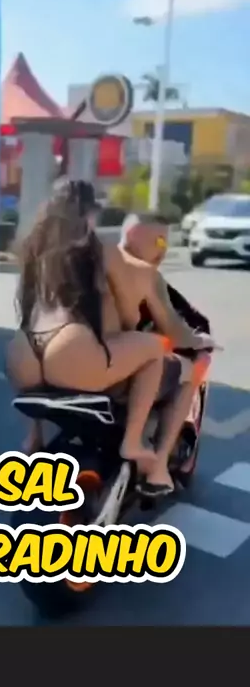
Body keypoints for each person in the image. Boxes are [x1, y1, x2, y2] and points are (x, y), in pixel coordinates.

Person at [6, 178, 169, 473]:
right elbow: (129, 314)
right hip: (69, 347)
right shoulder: (98, 248)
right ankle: (132, 442)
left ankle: (33, 437)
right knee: (154, 349)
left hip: (24, 351)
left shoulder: (32, 246)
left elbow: (25, 302)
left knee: (39, 390)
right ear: (89, 212)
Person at [119, 211, 213, 496]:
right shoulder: (146, 276)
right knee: (196, 365)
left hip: (72, 362)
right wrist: (198, 339)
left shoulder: (94, 265)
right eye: (159, 241)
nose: (164, 249)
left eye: (166, 242)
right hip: (119, 369)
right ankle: (158, 466)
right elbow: (178, 326)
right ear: (133, 236)